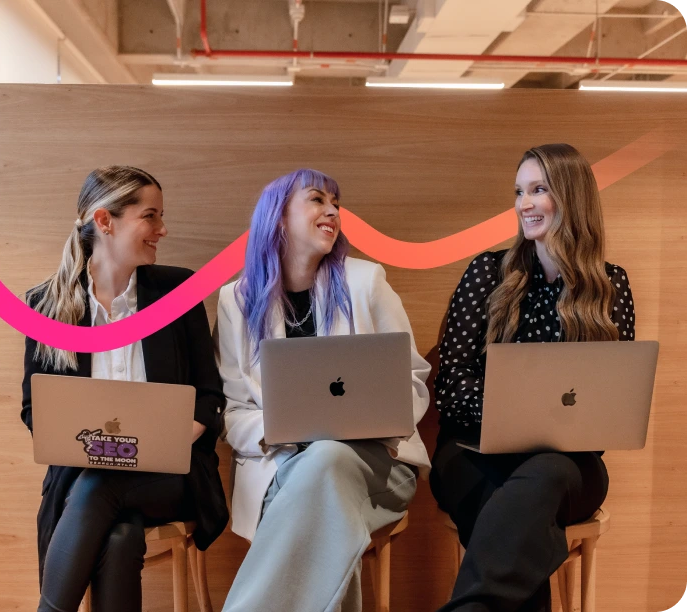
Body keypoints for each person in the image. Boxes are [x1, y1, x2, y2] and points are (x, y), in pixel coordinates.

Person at [430, 143, 635, 612]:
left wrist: (544, 425)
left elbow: (615, 397)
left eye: (538, 190)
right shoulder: (487, 272)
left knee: (542, 476)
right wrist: (509, 413)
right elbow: (451, 385)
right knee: (514, 519)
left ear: (571, 197)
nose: (524, 203)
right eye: (520, 191)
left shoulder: (611, 285)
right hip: (472, 453)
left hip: (568, 465)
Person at [216, 168, 431, 612]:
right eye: (317, 199)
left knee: (329, 455)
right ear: (278, 218)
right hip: (281, 466)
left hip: (377, 466)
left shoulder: (366, 281)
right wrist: (283, 429)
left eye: (336, 202)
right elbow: (232, 411)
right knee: (326, 499)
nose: (332, 210)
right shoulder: (235, 300)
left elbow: (412, 379)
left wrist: (371, 419)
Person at [20, 166, 228, 612]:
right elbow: (34, 408)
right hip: (82, 476)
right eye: (149, 217)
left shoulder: (179, 291)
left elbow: (211, 398)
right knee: (119, 534)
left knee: (101, 484)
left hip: (170, 475)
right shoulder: (46, 305)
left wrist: (167, 441)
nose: (162, 229)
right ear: (105, 221)